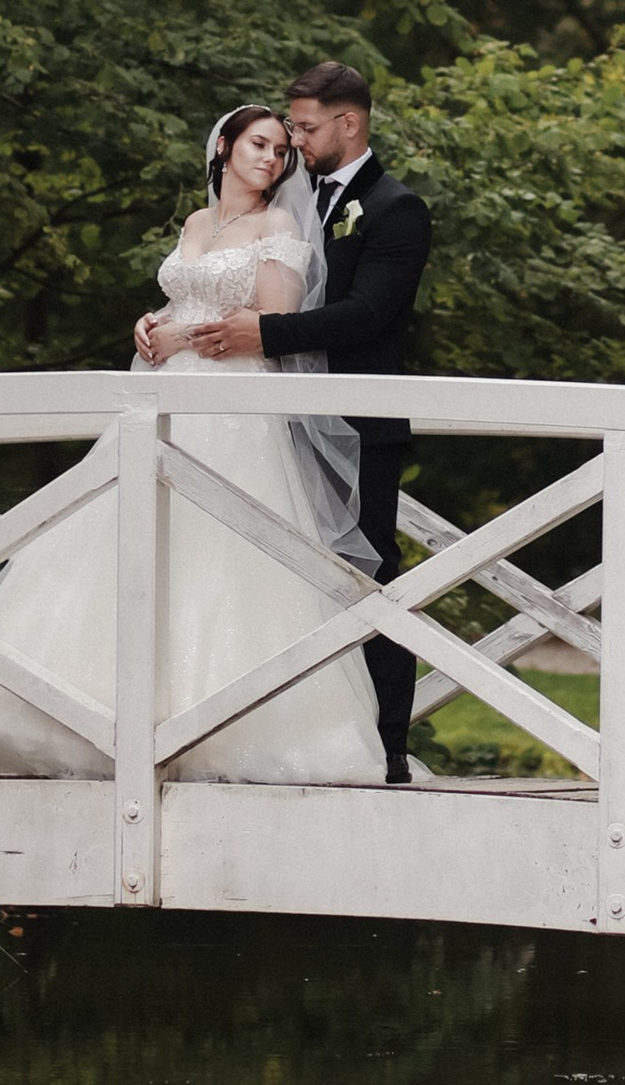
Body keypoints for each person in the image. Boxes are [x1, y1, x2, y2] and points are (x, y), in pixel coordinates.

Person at [0, 105, 391, 784]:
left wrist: (181, 336)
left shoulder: (279, 225)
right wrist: (154, 323)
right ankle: (86, 718)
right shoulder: (198, 225)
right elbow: (185, 301)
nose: (272, 159)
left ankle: (225, 732)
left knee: (221, 557)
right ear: (224, 146)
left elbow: (275, 322)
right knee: (112, 543)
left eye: (283, 151)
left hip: (231, 410)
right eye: (260, 144)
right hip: (161, 404)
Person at [144, 62, 433, 783]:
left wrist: (261, 336)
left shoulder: (395, 209)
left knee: (361, 581)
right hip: (243, 407)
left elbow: (369, 314)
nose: (291, 147)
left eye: (302, 131)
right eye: (281, 134)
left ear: (349, 124)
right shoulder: (275, 204)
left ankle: (383, 750)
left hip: (353, 420)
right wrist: (163, 326)